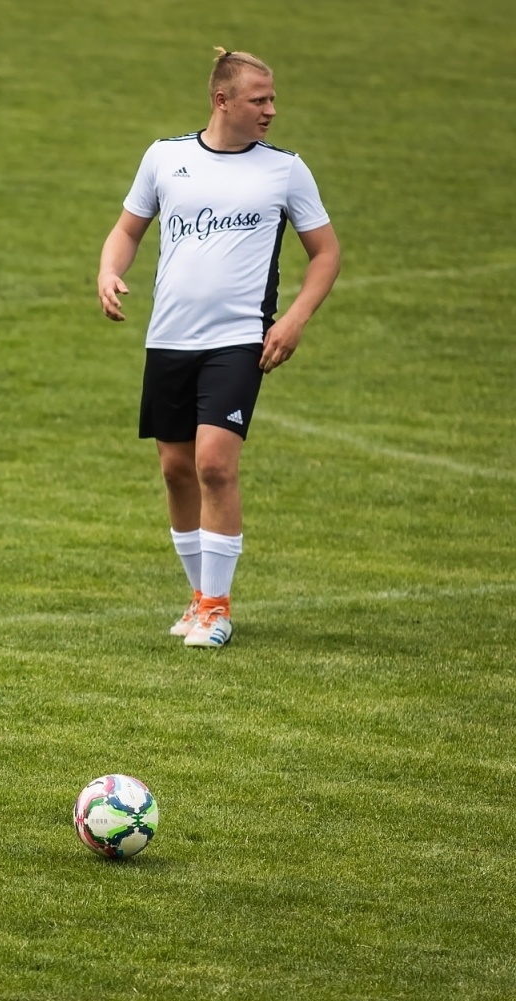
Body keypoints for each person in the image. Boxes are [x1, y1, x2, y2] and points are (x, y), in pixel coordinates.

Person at [97, 48, 341, 648]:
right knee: (176, 469)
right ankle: (199, 598)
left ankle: (217, 606)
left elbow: (326, 254)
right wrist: (108, 271)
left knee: (213, 462)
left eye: (272, 99)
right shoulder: (165, 157)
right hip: (169, 337)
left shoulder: (285, 171)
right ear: (222, 100)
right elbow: (128, 229)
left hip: (239, 339)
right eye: (259, 99)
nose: (271, 110)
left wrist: (295, 320)